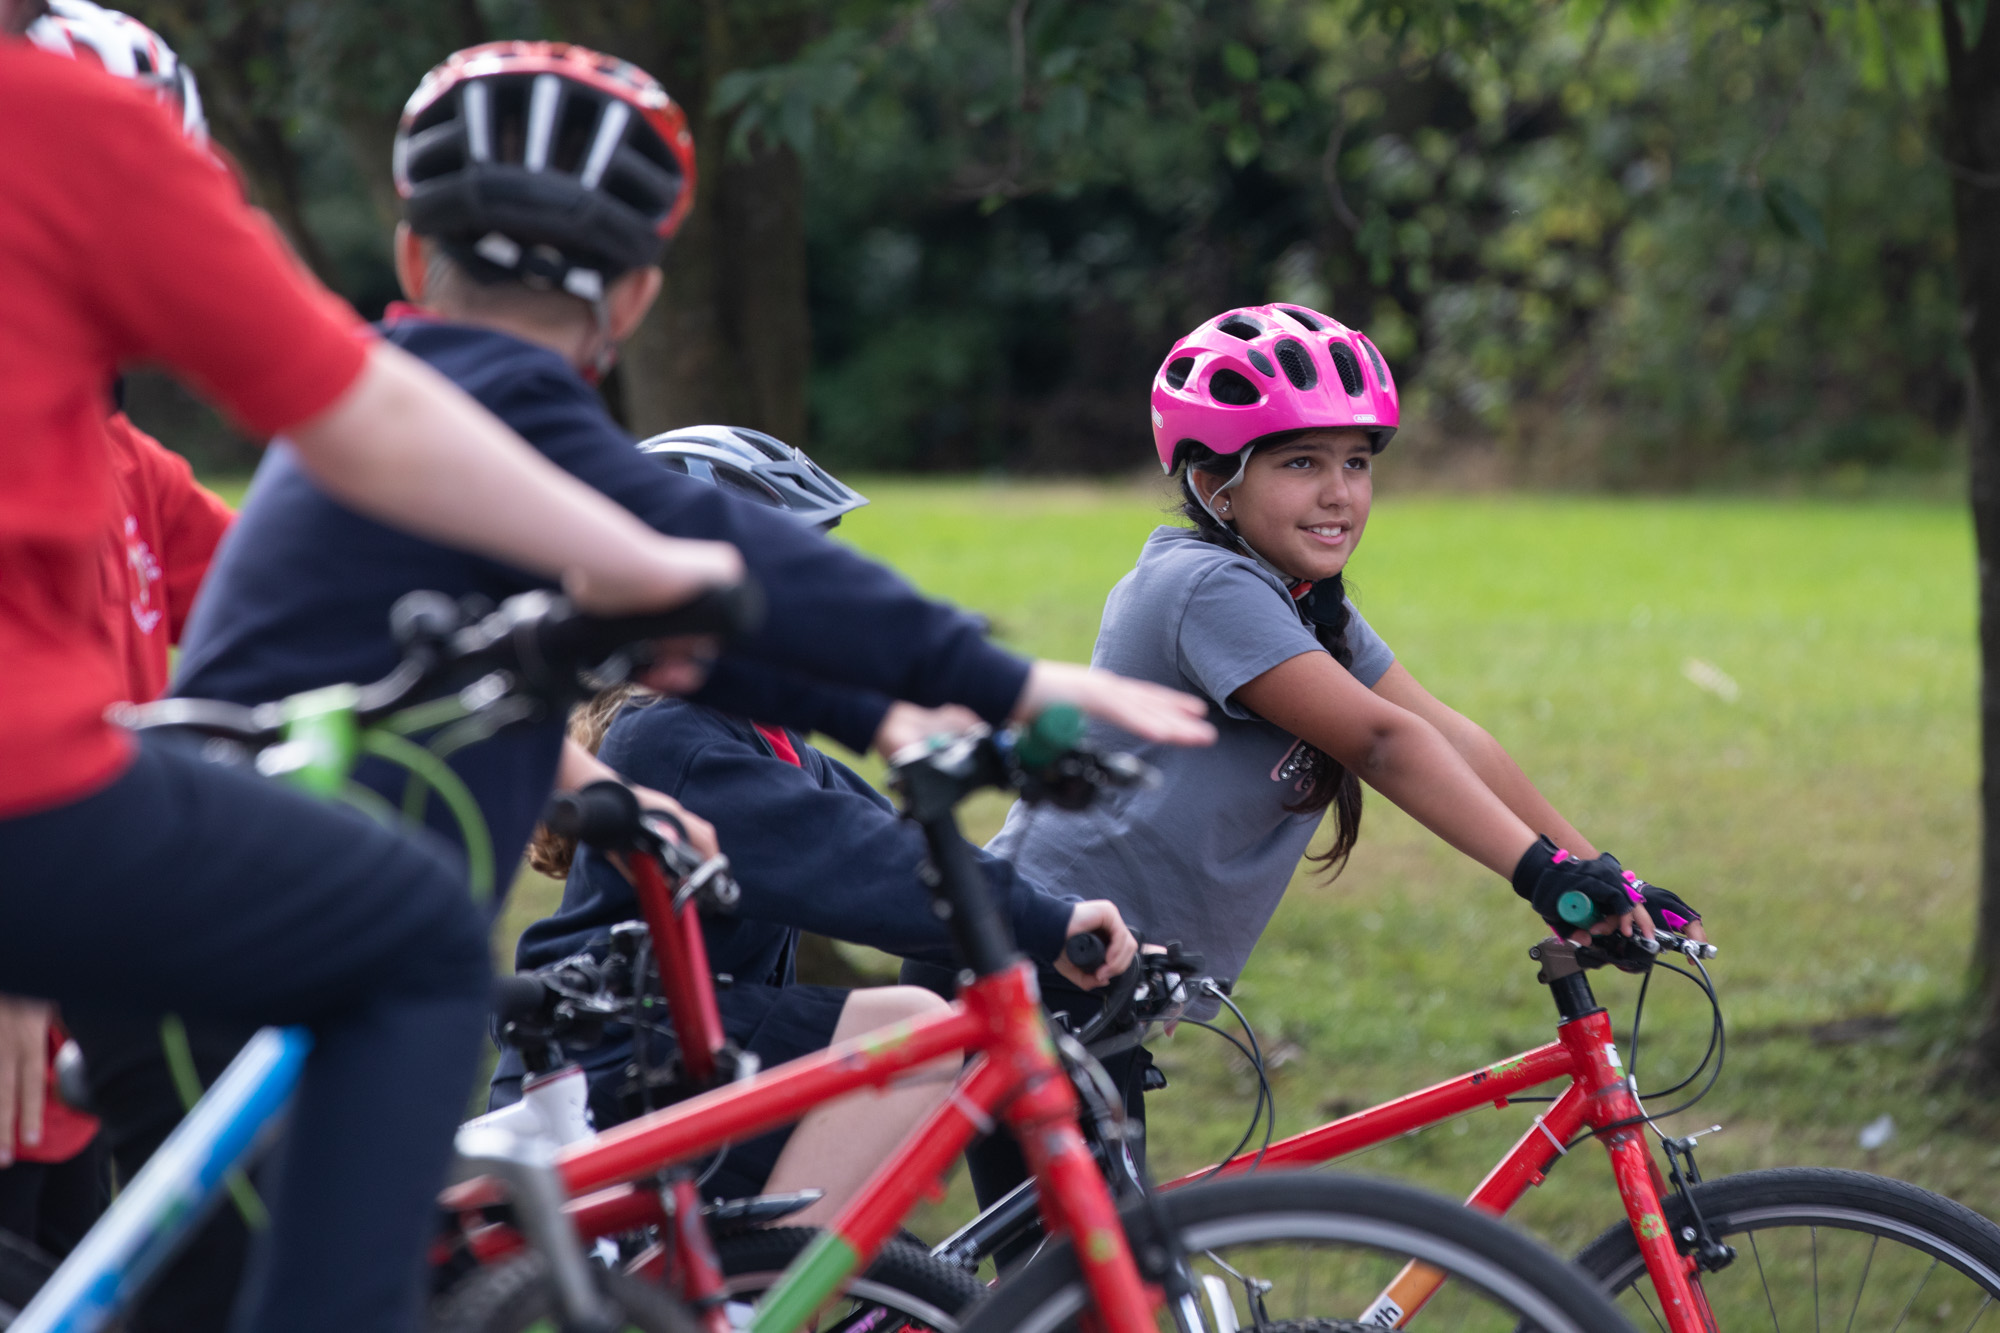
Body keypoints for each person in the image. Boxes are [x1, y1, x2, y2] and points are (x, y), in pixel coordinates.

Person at [146, 36, 1209, 1327]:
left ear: (416, 258)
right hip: (296, 933)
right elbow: (706, 576)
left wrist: (878, 711)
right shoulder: (480, 414)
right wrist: (994, 677)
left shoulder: (403, 406)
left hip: (229, 909)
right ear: (639, 294)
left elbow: (686, 630)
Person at [0, 10, 751, 1333]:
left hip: (91, 898)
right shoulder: (54, 130)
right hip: (58, 886)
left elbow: (341, 618)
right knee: (408, 941)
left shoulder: (130, 472)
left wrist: (577, 774)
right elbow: (357, 404)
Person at [951, 303, 1708, 1211]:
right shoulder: (1205, 586)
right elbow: (1382, 743)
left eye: (1356, 462)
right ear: (1215, 480)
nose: (1340, 492)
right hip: (1033, 960)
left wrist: (1597, 872)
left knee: (1094, 1282)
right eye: (1301, 462)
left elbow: (1446, 731)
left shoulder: (1305, 604)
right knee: (1085, 1289)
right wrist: (1543, 878)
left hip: (1092, 976)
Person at [504, 427, 1139, 1227]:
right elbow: (863, 864)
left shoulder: (763, 732)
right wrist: (1043, 921)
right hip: (613, 1052)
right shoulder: (672, 740)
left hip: (691, 1048)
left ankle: (767, 1287)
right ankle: (764, 1294)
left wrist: (1057, 931)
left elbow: (911, 850)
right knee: (913, 1031)